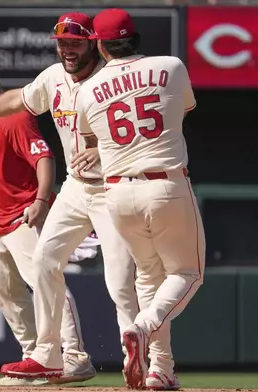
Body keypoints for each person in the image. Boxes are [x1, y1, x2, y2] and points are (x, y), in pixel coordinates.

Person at [0, 13, 145, 381]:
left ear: (95, 43)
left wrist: (97, 153)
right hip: (74, 186)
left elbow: (138, 129)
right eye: (62, 42)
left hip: (112, 186)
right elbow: (15, 101)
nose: (67, 49)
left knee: (120, 281)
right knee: (42, 266)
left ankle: (139, 358)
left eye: (75, 42)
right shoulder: (52, 77)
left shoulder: (112, 79)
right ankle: (50, 355)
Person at [0, 49, 96, 386]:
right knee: (5, 292)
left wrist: (41, 200)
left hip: (24, 215)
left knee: (48, 282)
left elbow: (44, 158)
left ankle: (74, 357)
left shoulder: (15, 116)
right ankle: (36, 359)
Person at [75, 8, 205, 390]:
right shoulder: (172, 65)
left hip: (116, 192)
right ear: (135, 37)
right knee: (188, 273)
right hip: (164, 184)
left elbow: (93, 138)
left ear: (99, 44)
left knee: (149, 278)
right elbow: (181, 110)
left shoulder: (87, 89)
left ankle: (160, 369)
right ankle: (143, 328)